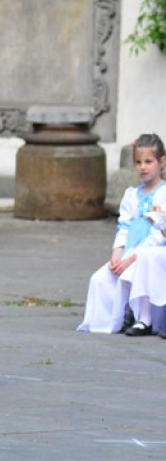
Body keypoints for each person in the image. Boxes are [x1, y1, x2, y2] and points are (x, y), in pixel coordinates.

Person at [78, 134, 166, 335]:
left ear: (162, 162)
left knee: (130, 274)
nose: (142, 167)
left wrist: (131, 259)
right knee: (100, 278)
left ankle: (142, 318)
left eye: (148, 161)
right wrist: (117, 255)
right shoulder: (131, 195)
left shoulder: (164, 194)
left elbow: (158, 234)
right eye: (138, 162)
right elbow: (124, 226)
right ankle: (111, 319)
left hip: (150, 251)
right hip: (130, 250)